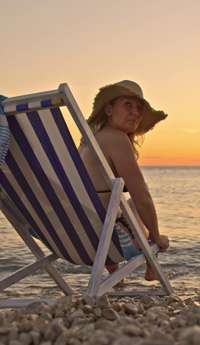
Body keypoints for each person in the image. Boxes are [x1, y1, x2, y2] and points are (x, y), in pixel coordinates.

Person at [78, 80, 170, 283]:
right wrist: (156, 238)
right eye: (127, 104)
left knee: (121, 205)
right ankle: (151, 266)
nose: (136, 112)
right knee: (134, 203)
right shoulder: (116, 138)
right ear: (109, 109)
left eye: (139, 108)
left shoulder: (88, 142)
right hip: (105, 238)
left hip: (79, 231)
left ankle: (116, 278)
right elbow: (142, 196)